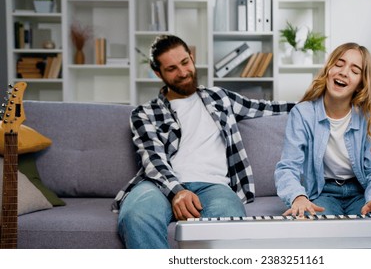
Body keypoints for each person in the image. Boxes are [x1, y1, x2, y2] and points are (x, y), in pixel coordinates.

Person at [111, 34, 294, 249]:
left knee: (228, 219)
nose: (182, 73)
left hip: (214, 186)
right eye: (171, 69)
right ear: (157, 73)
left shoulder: (220, 98)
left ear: (191, 57)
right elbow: (153, 160)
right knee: (136, 216)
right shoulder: (145, 113)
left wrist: (321, 103)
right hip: (159, 186)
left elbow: (269, 108)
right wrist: (177, 191)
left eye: (185, 62)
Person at [274, 42, 371, 218]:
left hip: (362, 192)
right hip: (323, 192)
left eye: (354, 70)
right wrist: (298, 197)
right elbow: (288, 167)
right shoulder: (302, 113)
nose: (343, 72)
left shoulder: (370, 117)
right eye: (339, 64)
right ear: (328, 70)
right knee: (318, 224)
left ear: (360, 84)